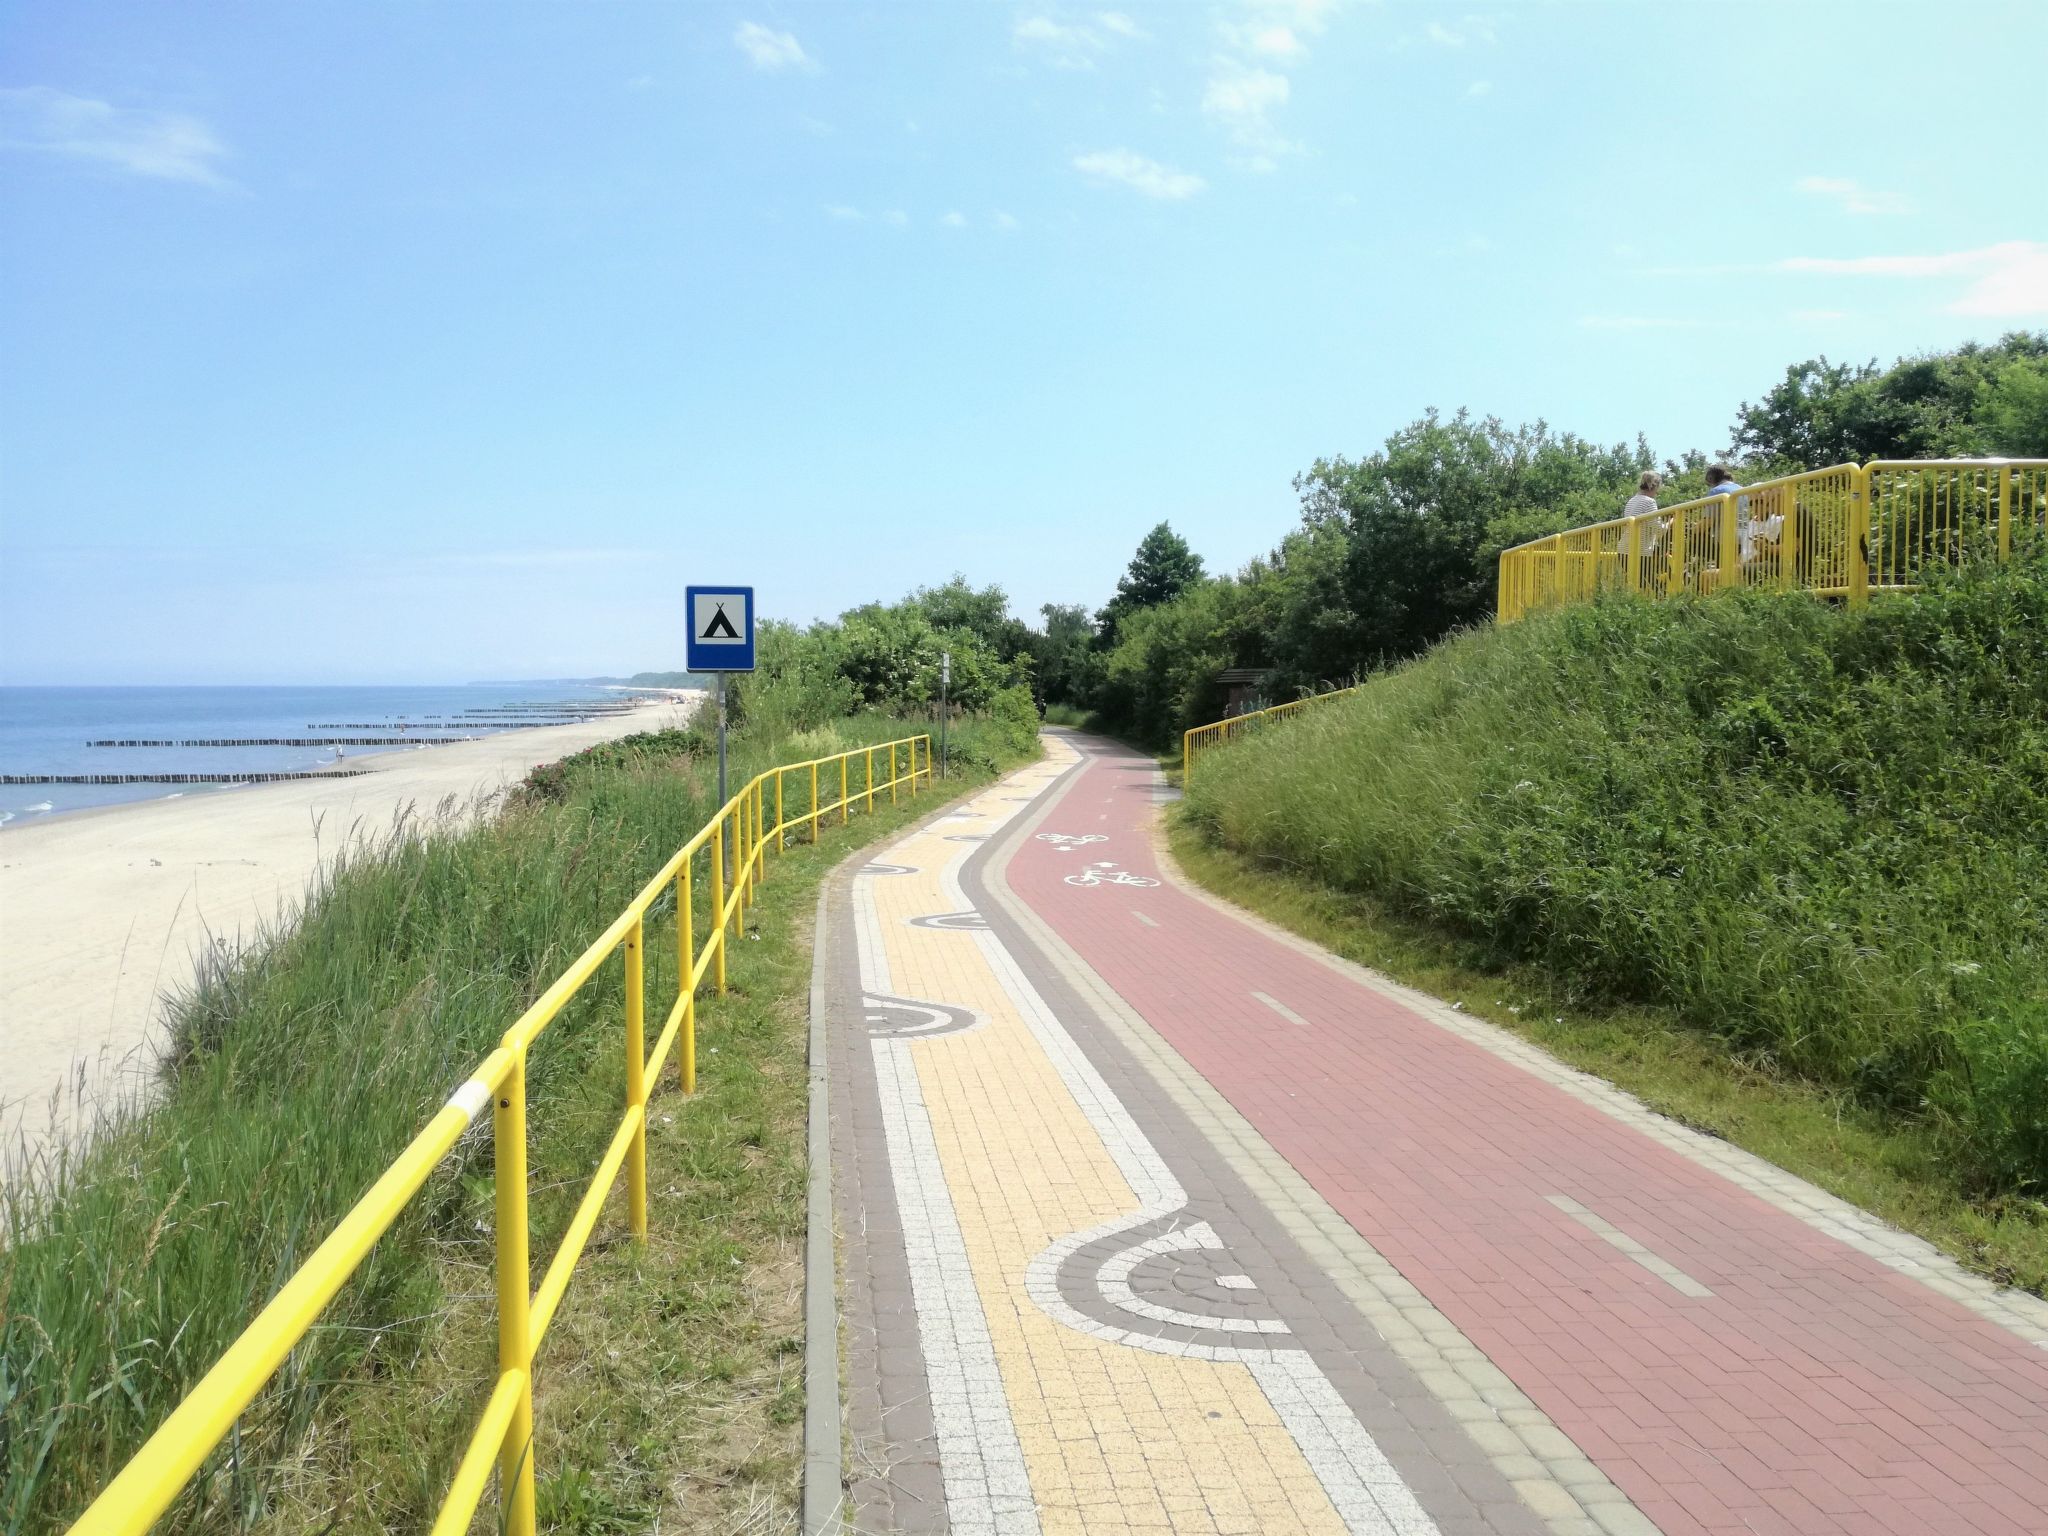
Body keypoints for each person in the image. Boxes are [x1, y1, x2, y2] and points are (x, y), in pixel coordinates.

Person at [1625, 471, 1668, 590]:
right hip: (1640, 551)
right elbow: (1658, 529)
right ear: (1654, 486)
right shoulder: (1649, 502)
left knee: (1637, 584)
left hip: (1624, 549)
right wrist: (1670, 523)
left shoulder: (1632, 500)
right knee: (1650, 585)